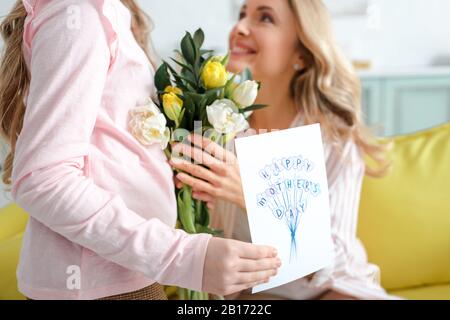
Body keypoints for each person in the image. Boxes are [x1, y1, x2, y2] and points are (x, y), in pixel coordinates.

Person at [0, 0, 280, 300]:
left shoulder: (100, 14)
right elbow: (43, 179)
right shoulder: (82, 14)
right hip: (103, 285)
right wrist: (184, 257)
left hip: (121, 276)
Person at [170, 0, 398, 300]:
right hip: (251, 294)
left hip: (330, 289)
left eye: (265, 18)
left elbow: (336, 259)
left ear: (301, 52)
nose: (239, 27)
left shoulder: (333, 137)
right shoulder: (217, 128)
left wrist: (254, 196)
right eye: (242, 14)